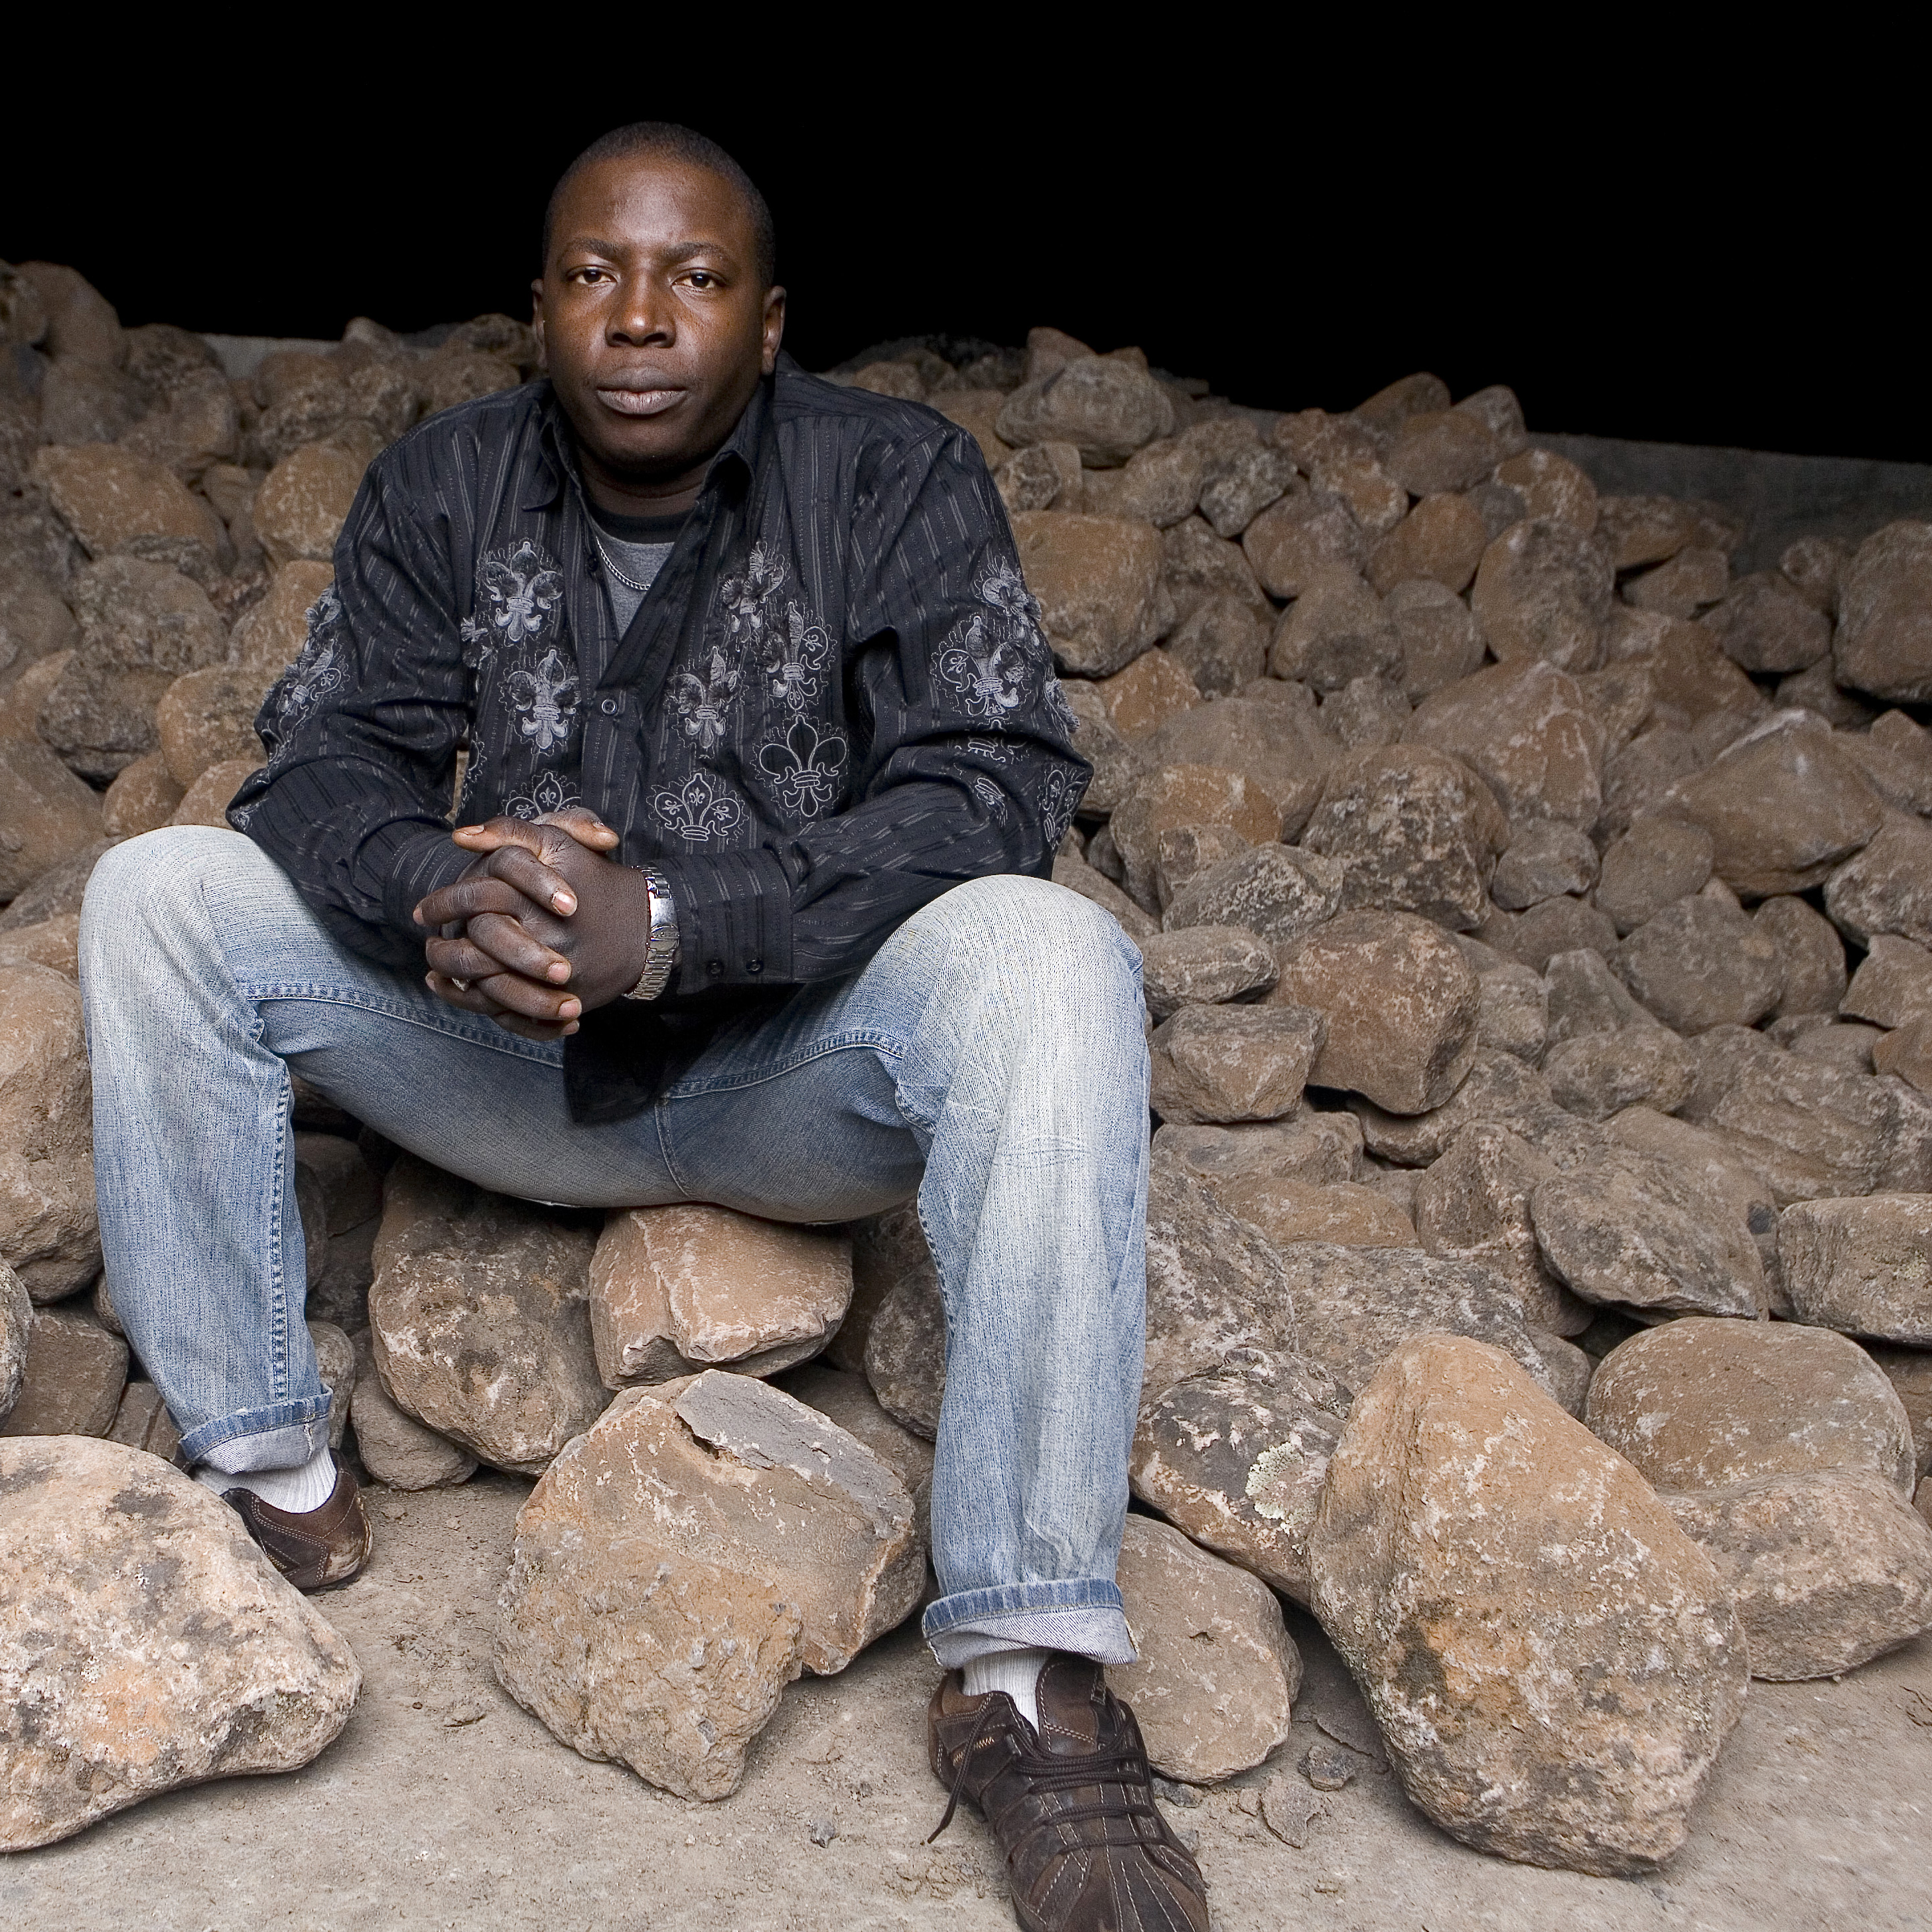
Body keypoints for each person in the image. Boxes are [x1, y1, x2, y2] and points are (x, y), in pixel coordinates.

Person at [80, 123, 1208, 1931]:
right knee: (157, 895)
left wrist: (675, 924)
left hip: (791, 1081)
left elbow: (991, 788)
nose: (640, 315)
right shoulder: (446, 482)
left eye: (694, 277)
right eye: (598, 274)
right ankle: (267, 1472)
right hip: (496, 1058)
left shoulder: (896, 478)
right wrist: (436, 892)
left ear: (770, 324)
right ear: (540, 310)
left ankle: (1024, 1685)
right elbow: (325, 762)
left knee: (1048, 955)